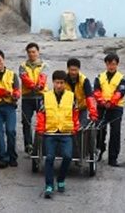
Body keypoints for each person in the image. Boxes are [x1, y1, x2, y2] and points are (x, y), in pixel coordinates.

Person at [36, 70, 79, 199]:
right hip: (50, 132)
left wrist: (75, 127)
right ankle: (49, 185)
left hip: (66, 132)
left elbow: (75, 113)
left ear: (65, 83)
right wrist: (40, 128)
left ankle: (60, 179)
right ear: (53, 83)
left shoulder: (72, 96)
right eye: (56, 83)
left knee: (67, 157)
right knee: (49, 158)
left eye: (61, 83)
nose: (59, 85)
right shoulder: (46, 96)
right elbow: (41, 114)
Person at [93, 53, 125, 167]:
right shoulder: (100, 77)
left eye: (113, 64)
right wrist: (102, 102)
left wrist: (111, 102)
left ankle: (113, 158)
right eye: (109, 64)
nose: (111, 67)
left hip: (116, 108)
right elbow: (96, 91)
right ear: (105, 64)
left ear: (117, 64)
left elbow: (120, 92)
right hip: (102, 107)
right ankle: (99, 150)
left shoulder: (121, 78)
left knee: (115, 133)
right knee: (100, 131)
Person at [19, 42, 48, 154]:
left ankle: (43, 145)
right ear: (27, 53)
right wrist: (34, 86)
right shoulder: (22, 66)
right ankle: (29, 145)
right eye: (29, 52)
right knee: (26, 122)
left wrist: (39, 86)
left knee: (43, 122)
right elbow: (24, 78)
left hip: (41, 97)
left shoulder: (44, 65)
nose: (32, 54)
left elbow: (43, 77)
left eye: (34, 52)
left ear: (38, 52)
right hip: (27, 98)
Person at [65, 58, 98, 127]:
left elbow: (90, 98)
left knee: (82, 128)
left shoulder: (84, 80)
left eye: (75, 70)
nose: (73, 72)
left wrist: (93, 113)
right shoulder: (63, 79)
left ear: (79, 69)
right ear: (67, 69)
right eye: (71, 70)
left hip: (81, 109)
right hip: (67, 110)